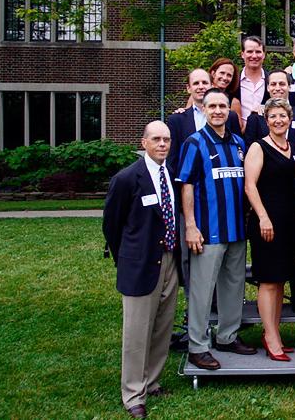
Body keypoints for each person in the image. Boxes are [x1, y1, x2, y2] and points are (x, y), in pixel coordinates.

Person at [103, 121, 179, 419]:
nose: (163, 144)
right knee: (137, 331)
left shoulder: (170, 173)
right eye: (157, 139)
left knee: (162, 325)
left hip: (169, 260)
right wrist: (127, 258)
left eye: (167, 140)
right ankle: (133, 393)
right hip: (140, 263)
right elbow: (112, 224)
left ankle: (153, 381)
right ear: (144, 142)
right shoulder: (126, 179)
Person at [177, 88, 256, 371]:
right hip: (208, 230)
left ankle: (227, 336)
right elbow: (186, 185)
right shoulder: (194, 143)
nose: (219, 111)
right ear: (205, 110)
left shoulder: (238, 143)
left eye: (223, 106)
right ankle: (198, 345)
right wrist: (190, 225)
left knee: (233, 286)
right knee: (202, 289)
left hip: (236, 228)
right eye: (213, 106)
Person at [244, 98, 295, 362]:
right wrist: (263, 217)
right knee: (268, 281)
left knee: (280, 280)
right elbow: (250, 186)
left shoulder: (293, 146)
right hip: (267, 222)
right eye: (273, 116)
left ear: (289, 119)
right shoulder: (259, 147)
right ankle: (270, 337)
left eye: (283, 116)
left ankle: (274, 332)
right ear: (266, 121)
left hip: (289, 222)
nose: (279, 120)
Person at [244, 69, 295, 148]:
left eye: (282, 84)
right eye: (273, 84)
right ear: (268, 88)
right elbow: (250, 150)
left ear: (289, 87)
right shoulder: (255, 118)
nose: (277, 88)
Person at [237, 36, 269, 125]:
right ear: (242, 54)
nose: (254, 56)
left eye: (258, 52)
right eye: (250, 52)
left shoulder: (271, 81)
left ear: (264, 55)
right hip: (240, 135)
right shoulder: (234, 81)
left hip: (265, 135)